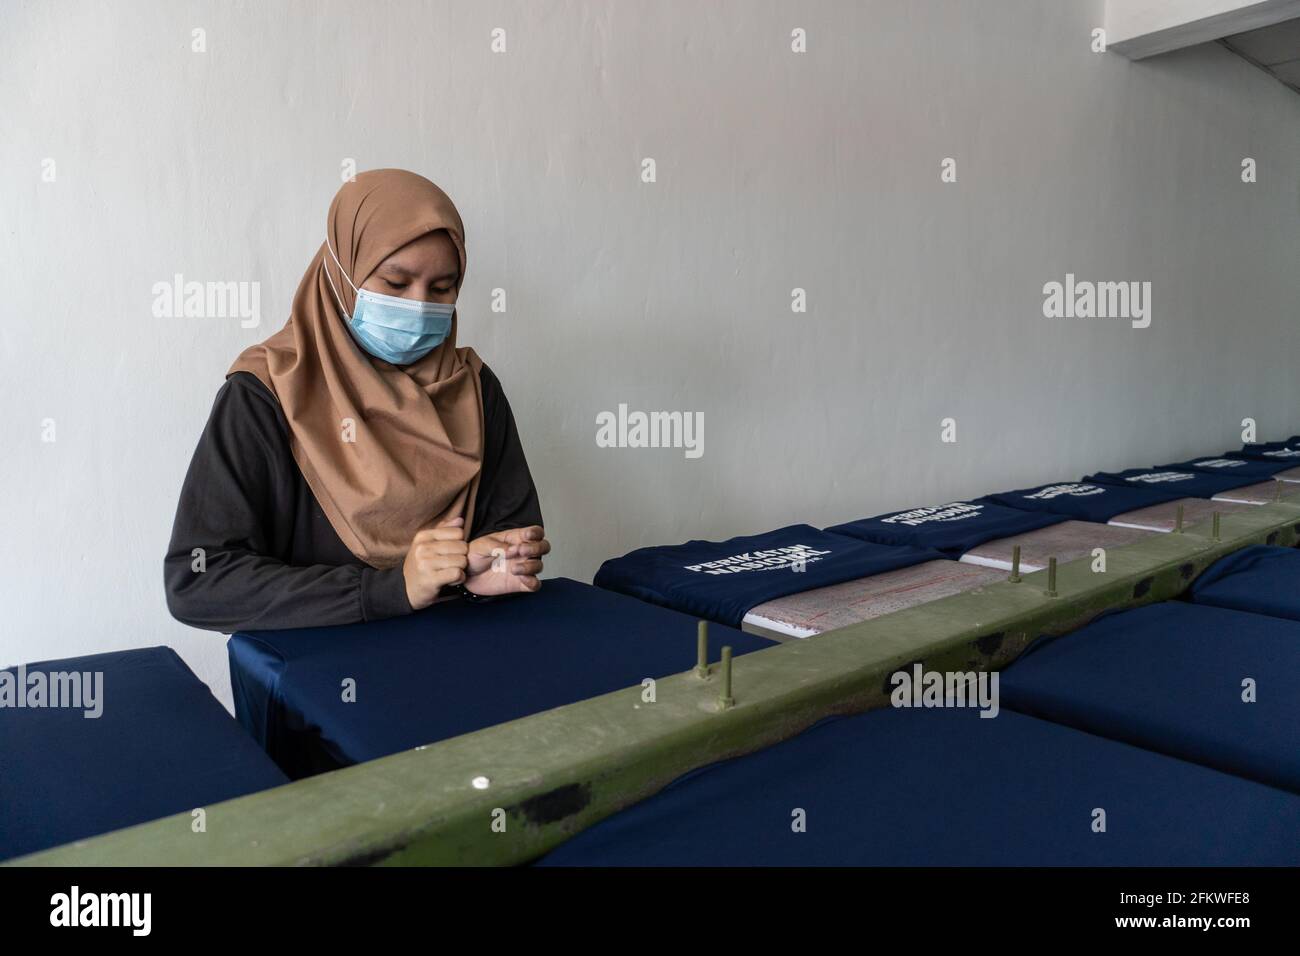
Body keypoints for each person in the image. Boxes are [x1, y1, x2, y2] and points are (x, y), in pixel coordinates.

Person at [164, 169, 548, 633]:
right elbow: (198, 580)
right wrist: (388, 590)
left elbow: (507, 535)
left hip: (457, 651)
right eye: (396, 283)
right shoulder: (266, 393)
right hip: (314, 672)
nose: (420, 305)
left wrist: (480, 570)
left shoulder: (472, 389)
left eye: (442, 288)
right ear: (342, 275)